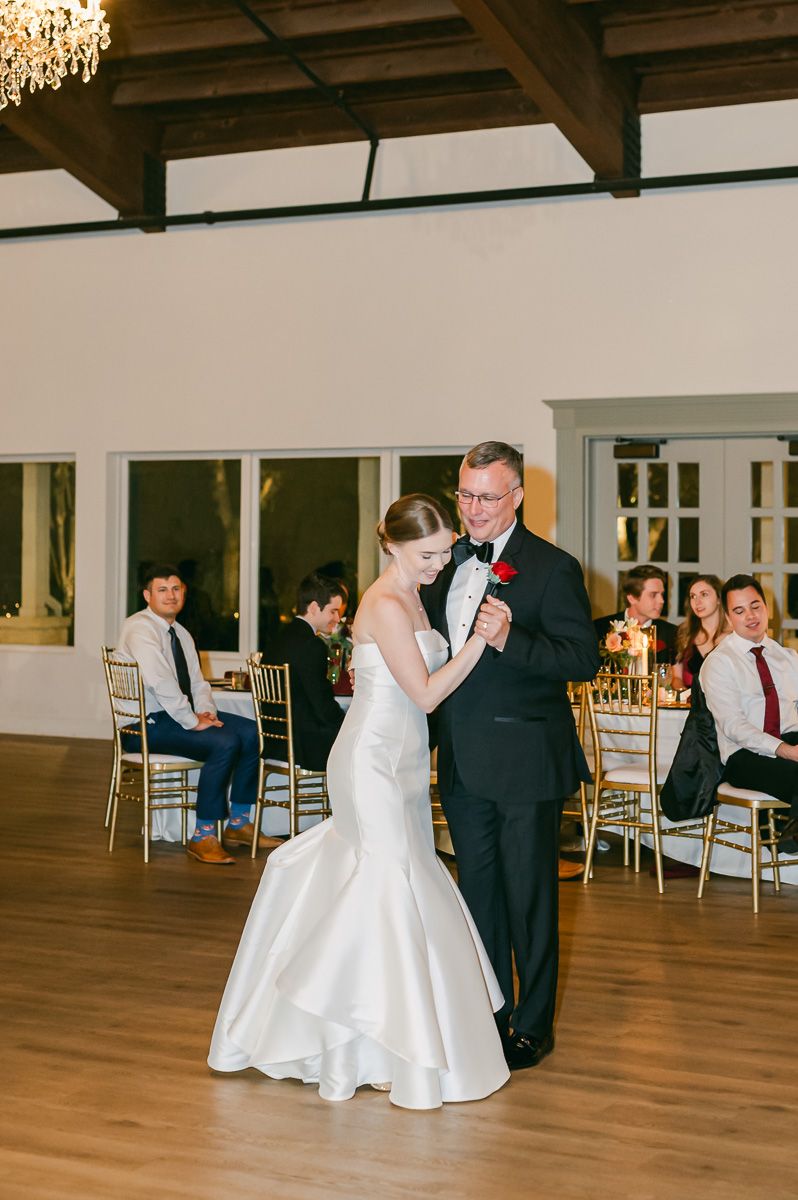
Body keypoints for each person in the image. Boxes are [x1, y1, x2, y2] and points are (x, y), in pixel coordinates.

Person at [209, 495, 511, 1109]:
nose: (440, 562)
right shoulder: (381, 602)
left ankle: (368, 1041)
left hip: (400, 764)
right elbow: (425, 695)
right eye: (428, 553)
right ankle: (359, 1045)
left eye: (446, 550)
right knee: (387, 886)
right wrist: (482, 643)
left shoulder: (416, 593)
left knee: (401, 882)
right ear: (394, 545)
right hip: (370, 762)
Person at [421, 442, 600, 1071]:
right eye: (465, 495)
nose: (471, 509)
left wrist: (511, 638)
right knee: (479, 897)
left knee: (529, 898)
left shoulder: (553, 568)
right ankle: (488, 1010)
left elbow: (581, 659)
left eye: (486, 497)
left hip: (527, 759)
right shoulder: (442, 564)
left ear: (517, 496)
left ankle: (532, 1025)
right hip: (462, 759)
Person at [117, 563, 272, 865]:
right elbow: (160, 681)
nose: (171, 595)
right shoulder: (139, 629)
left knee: (252, 731)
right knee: (224, 742)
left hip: (169, 717)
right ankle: (203, 835)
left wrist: (205, 712)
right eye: (162, 589)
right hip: (142, 726)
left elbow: (198, 683)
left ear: (184, 593)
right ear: (147, 595)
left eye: (176, 589)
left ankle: (238, 824)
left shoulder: (181, 634)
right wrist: (192, 721)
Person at [701, 574, 798, 851]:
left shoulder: (788, 657)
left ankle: (793, 831)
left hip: (791, 736)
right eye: (739, 611)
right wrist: (786, 750)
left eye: (756, 606)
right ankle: (789, 837)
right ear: (729, 618)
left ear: (767, 608)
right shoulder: (719, 663)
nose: (751, 616)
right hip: (743, 755)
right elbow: (733, 726)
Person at [261, 572, 346, 771]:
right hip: (304, 747)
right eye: (333, 611)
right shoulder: (311, 645)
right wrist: (349, 725)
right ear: (315, 607)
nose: (338, 618)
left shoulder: (279, 638)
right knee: (367, 744)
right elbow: (322, 706)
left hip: (275, 743)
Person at [594, 564, 678, 664]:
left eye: (662, 594)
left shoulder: (673, 634)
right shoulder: (599, 628)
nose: (661, 601)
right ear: (632, 598)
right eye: (653, 595)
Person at [671, 573, 729, 689]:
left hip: (725, 704)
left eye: (704, 594)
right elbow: (676, 678)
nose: (697, 602)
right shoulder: (683, 634)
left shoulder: (734, 637)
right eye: (693, 596)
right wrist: (684, 694)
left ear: (719, 599)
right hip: (690, 704)